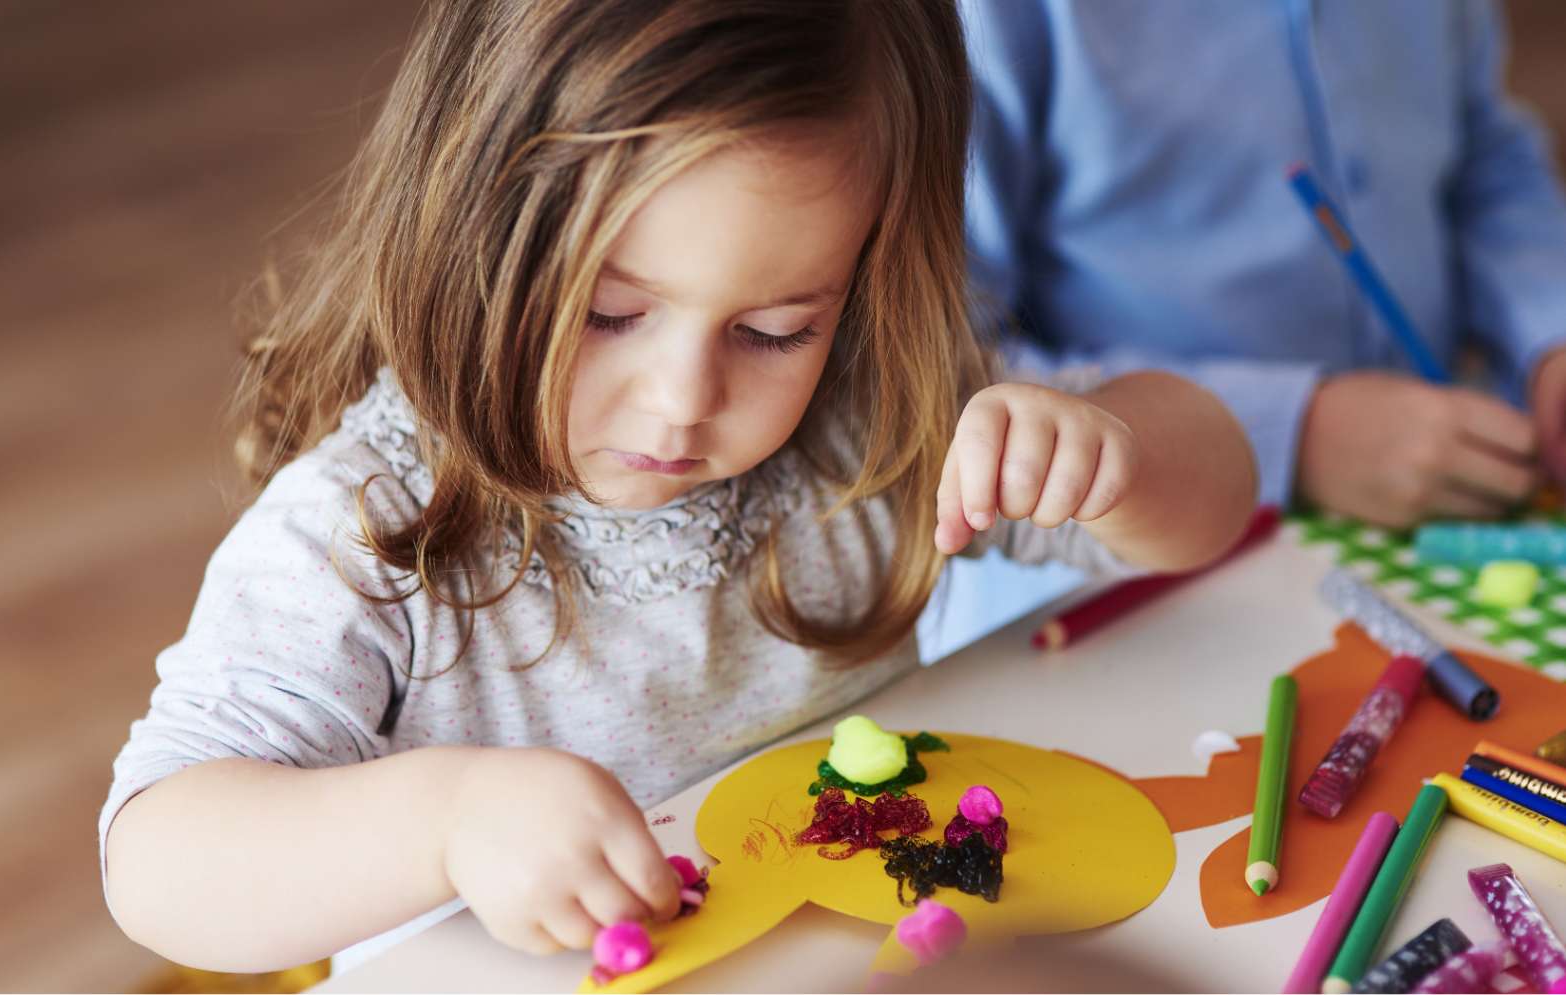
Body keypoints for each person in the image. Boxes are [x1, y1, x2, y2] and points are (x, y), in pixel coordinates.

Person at [101, 0, 1256, 972]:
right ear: (466, 236)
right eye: (611, 314)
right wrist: (445, 819)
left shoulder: (866, 426)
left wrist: (1114, 449)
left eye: (772, 329)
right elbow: (159, 858)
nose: (682, 398)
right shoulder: (365, 530)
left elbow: (1207, 512)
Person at [963, 0, 1566, 529]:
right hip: (1126, 581)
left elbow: (1490, 167)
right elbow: (943, 363)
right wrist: (1296, 432)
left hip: (1445, 499)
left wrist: (1550, 338)